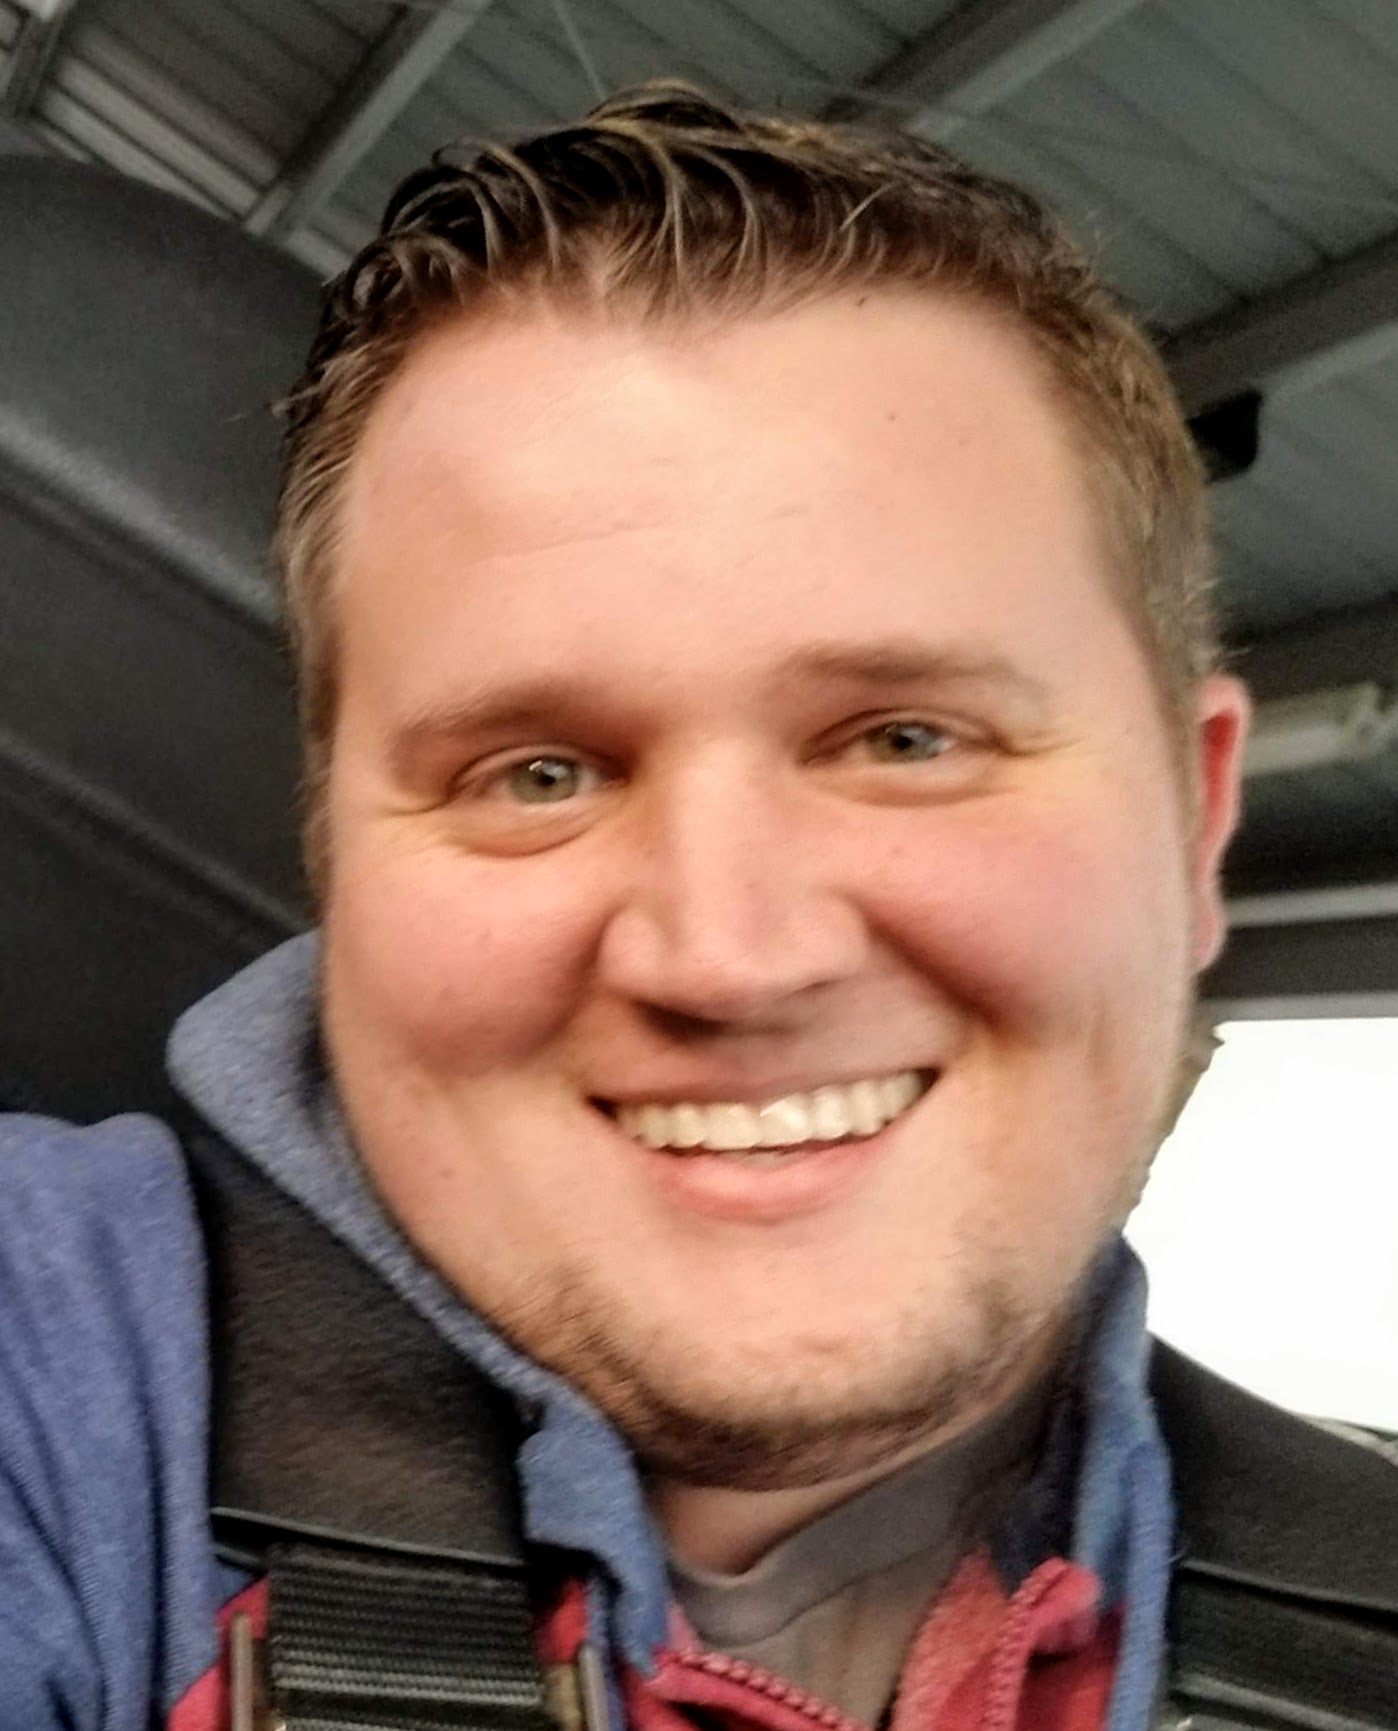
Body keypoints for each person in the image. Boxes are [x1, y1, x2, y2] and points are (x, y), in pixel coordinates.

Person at [1, 83, 1393, 1731]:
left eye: (904, 741)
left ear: (1195, 819)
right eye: (536, 774)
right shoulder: (46, 1363)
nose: (728, 956)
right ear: (333, 852)